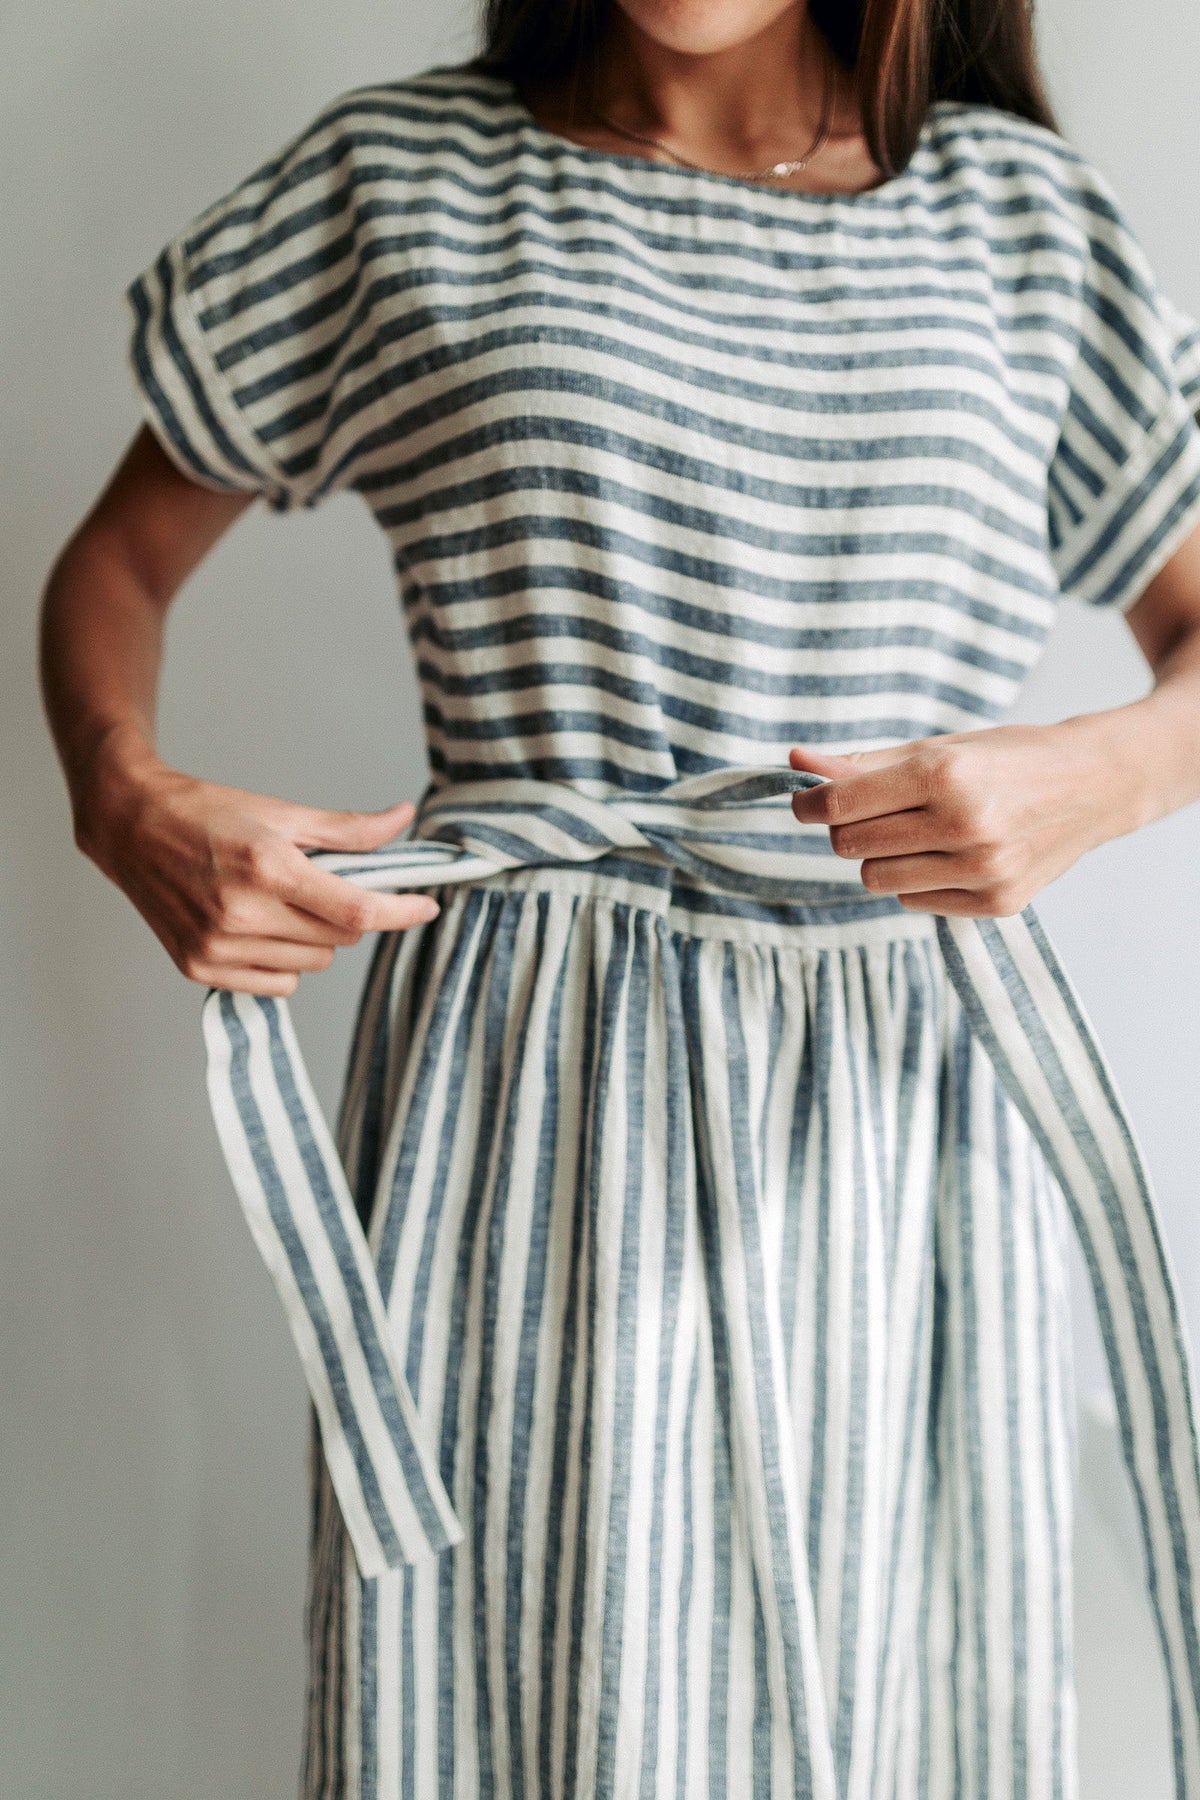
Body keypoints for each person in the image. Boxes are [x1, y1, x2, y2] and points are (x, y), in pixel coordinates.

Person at [37, 1, 1200, 1795]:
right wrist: (126, 801)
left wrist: (1097, 775)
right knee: (522, 1705)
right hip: (529, 1105)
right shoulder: (398, 182)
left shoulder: (1025, 220)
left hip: (905, 1125)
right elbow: (115, 563)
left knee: (897, 1701)